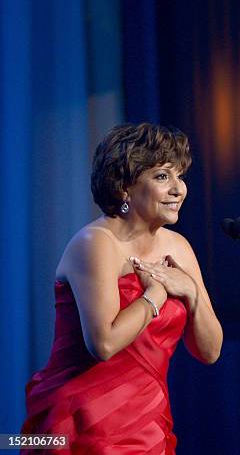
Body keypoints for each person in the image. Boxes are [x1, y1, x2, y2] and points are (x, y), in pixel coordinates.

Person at [20, 123, 223, 454]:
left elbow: (210, 352)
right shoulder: (95, 243)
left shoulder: (179, 247)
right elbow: (103, 343)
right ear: (124, 188)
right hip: (81, 421)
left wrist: (192, 292)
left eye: (179, 176)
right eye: (162, 177)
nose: (178, 189)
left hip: (148, 422)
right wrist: (155, 295)